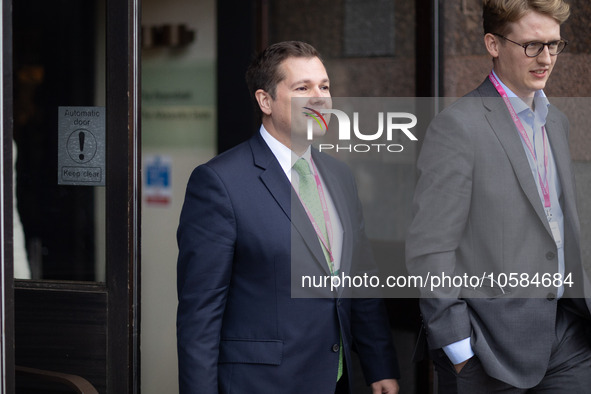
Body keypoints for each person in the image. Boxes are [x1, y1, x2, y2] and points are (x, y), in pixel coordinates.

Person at [177, 41, 400, 394]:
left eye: (324, 86)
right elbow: (200, 314)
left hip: (336, 380)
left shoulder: (340, 176)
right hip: (262, 384)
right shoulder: (219, 182)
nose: (320, 98)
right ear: (265, 101)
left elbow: (360, 278)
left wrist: (379, 366)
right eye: (303, 88)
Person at [406, 0, 591, 392]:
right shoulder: (457, 127)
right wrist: (460, 351)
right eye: (532, 45)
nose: (545, 59)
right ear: (493, 43)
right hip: (488, 348)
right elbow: (430, 249)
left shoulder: (555, 121)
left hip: (567, 336)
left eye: (554, 45)